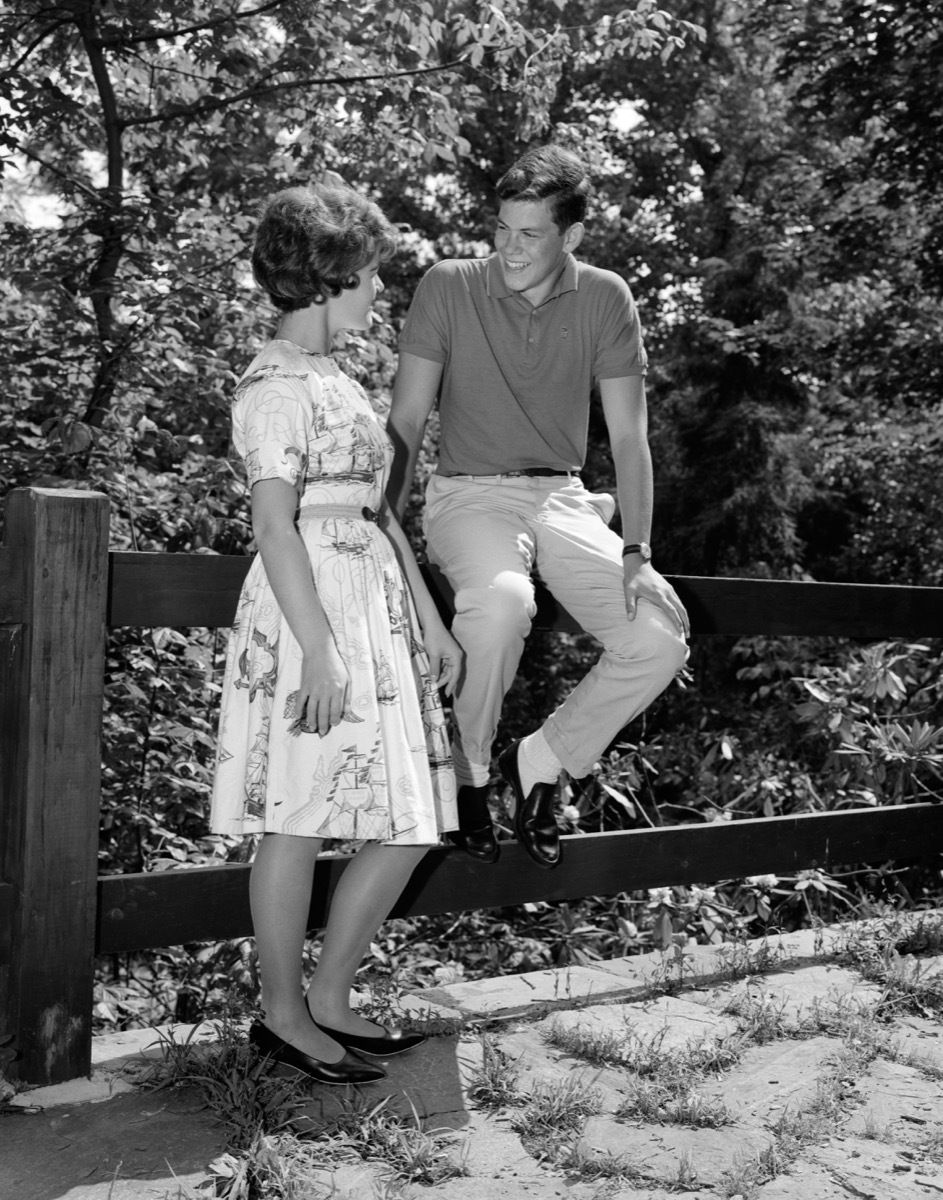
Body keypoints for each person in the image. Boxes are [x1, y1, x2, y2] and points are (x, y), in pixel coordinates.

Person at [211, 182, 461, 1086]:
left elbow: (380, 514)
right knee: (293, 817)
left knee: (408, 818)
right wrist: (319, 647)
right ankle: (281, 1014)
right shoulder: (275, 386)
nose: (379, 293)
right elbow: (275, 527)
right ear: (328, 277)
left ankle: (328, 996)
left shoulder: (337, 380)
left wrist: (429, 620)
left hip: (372, 606)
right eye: (370, 278)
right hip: (310, 608)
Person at [386, 145, 689, 871]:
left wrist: (637, 552)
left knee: (658, 640)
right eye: (501, 229)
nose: (508, 249)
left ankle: (545, 760)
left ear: (571, 238)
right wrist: (381, 526)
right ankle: (465, 776)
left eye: (529, 235)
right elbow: (405, 419)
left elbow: (627, 436)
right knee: (498, 605)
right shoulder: (448, 286)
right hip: (469, 493)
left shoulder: (605, 297)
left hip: (564, 498)